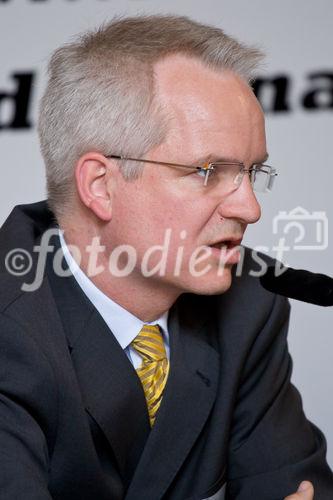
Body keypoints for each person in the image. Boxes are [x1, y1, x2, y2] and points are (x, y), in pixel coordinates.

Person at [0, 14, 332, 500]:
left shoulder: (251, 302)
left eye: (252, 172)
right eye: (208, 171)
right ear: (100, 185)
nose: (251, 209)